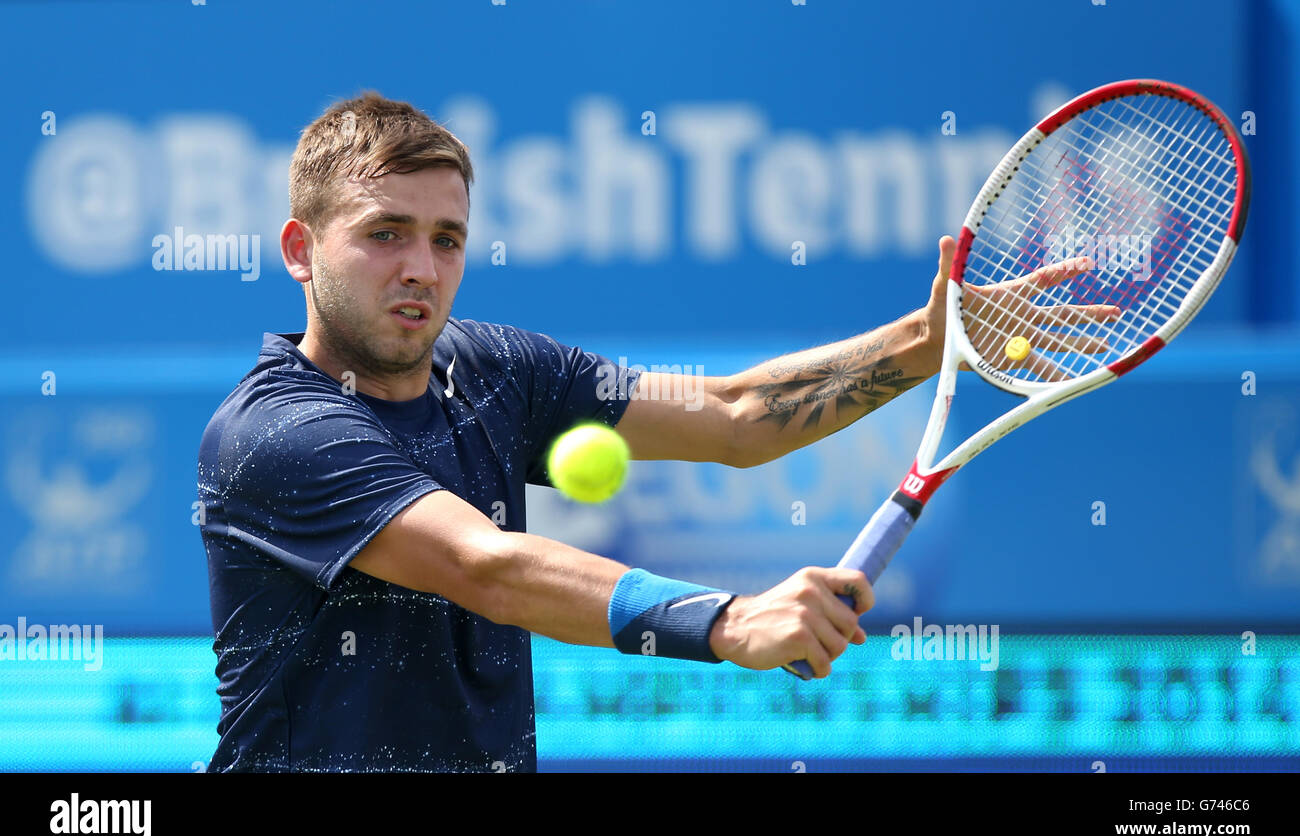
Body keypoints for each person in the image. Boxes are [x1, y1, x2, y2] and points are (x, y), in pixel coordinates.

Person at [198, 92, 1099, 772]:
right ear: (300, 250)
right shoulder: (275, 432)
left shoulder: (495, 369)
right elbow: (489, 567)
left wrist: (925, 341)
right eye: (385, 234)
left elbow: (734, 416)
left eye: (447, 239)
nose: (421, 268)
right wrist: (731, 620)